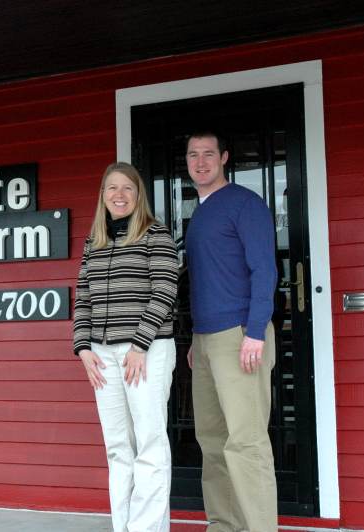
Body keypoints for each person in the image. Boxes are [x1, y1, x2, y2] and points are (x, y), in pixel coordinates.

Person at [74, 162, 178, 532]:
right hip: (102, 355)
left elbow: (165, 289)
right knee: (118, 447)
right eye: (111, 188)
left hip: (145, 353)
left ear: (139, 195)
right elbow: (83, 296)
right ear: (102, 195)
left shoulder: (156, 234)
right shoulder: (94, 242)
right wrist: (83, 347)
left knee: (149, 443)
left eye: (127, 189)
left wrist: (139, 343)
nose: (119, 195)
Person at [184, 131, 278, 531]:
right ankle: (224, 526)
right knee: (212, 441)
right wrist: (194, 339)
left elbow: (265, 270)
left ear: (223, 158)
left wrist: (255, 332)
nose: (201, 161)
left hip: (240, 335)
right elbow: (205, 281)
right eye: (193, 155)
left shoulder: (245, 203)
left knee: (247, 441)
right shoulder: (200, 212)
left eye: (208, 154)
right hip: (206, 340)